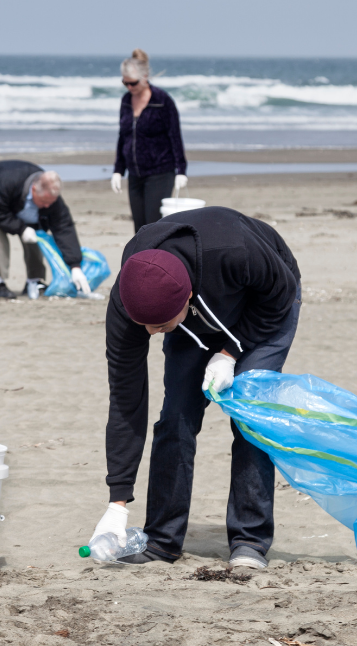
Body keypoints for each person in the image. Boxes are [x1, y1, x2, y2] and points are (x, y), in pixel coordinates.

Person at [92, 206, 301, 569]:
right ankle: (162, 541)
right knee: (176, 417)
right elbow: (126, 398)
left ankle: (249, 541)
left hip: (266, 304)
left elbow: (279, 298)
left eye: (158, 326)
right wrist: (117, 502)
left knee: (249, 418)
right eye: (144, 325)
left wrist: (230, 352)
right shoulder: (131, 296)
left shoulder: (237, 252)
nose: (149, 334)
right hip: (193, 320)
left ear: (187, 299)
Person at [0, 160, 90, 299]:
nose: (47, 206)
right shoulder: (8, 182)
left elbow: (64, 228)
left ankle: (34, 280)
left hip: (16, 198)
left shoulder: (51, 198)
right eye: (44, 202)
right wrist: (21, 229)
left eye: (50, 202)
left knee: (36, 232)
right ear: (34, 189)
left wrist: (75, 265)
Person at [110, 49, 188, 233]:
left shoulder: (162, 101)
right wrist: (118, 170)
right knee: (139, 227)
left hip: (160, 172)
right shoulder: (126, 101)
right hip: (135, 174)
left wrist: (181, 171)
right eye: (125, 83)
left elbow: (175, 136)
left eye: (133, 83)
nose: (129, 87)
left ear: (145, 77)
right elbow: (123, 136)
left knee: (153, 226)